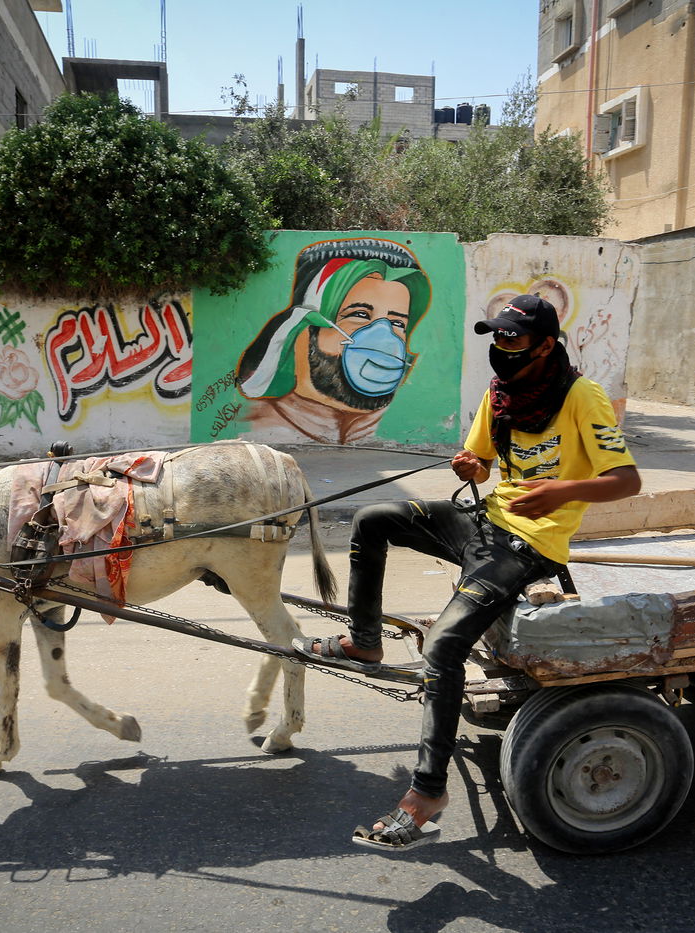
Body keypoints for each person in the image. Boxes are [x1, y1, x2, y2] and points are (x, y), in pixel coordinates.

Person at [294, 294, 641, 852]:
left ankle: (428, 793)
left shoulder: (582, 397)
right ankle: (364, 642)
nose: (501, 348)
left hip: (532, 543)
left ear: (546, 345)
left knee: (444, 645)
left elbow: (627, 481)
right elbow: (480, 460)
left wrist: (560, 491)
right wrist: (471, 465)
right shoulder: (500, 395)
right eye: (496, 338)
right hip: (485, 522)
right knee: (372, 518)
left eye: (513, 339)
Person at [236, 238, 432, 444]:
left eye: (398, 323)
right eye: (360, 314)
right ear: (305, 327)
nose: (384, 338)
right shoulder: (257, 428)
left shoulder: (379, 428)